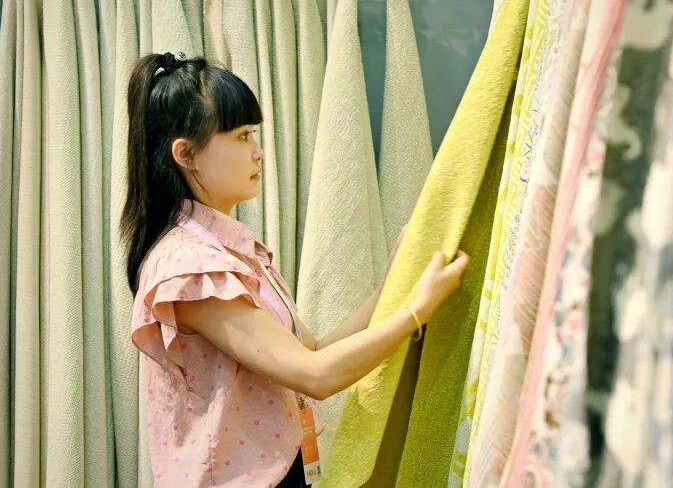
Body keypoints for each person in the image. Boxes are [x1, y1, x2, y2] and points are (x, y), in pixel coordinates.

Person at [122, 52, 469, 487]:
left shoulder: (231, 253)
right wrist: (415, 312)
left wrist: (390, 289)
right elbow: (316, 375)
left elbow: (315, 351)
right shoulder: (191, 268)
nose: (259, 152)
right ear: (186, 154)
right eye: (243, 136)